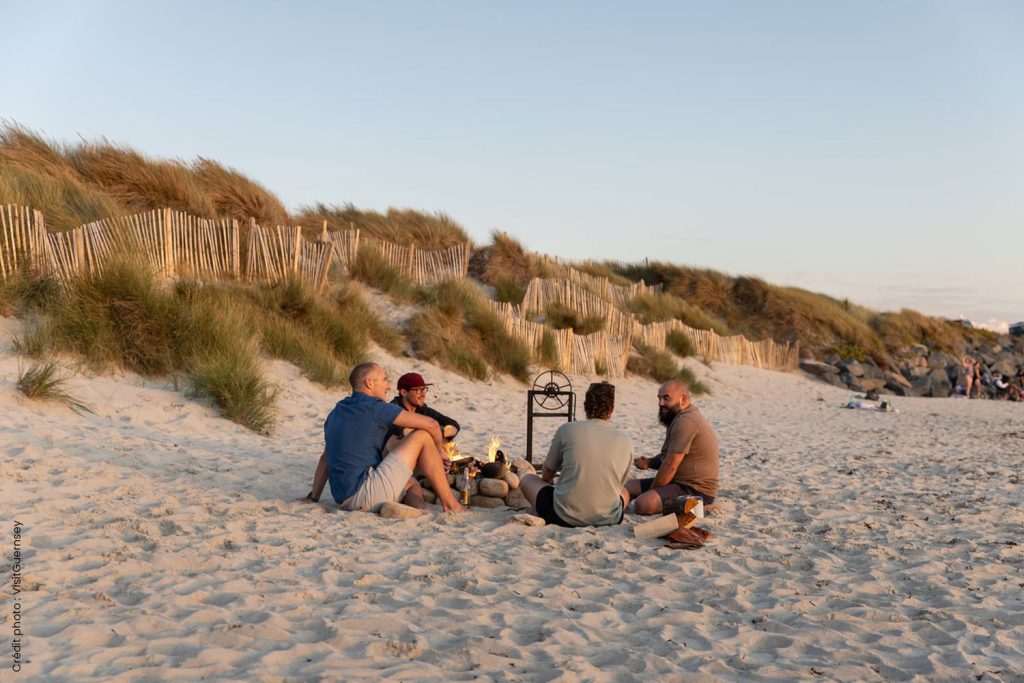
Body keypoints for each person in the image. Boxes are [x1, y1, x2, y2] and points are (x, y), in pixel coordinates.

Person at [304, 362, 463, 513]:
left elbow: (326, 458)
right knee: (422, 435)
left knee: (411, 483)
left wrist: (314, 496)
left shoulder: (336, 411)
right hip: (365, 494)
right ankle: (451, 505)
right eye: (385, 380)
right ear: (369, 383)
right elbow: (432, 425)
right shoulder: (376, 408)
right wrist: (440, 452)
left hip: (343, 499)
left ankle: (420, 511)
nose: (388, 386)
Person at [519, 382, 633, 527]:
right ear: (612, 409)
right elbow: (619, 484)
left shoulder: (567, 429)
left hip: (564, 516)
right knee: (625, 492)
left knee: (527, 478)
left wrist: (550, 483)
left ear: (585, 406)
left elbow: (547, 473)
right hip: (609, 518)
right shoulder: (625, 439)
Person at [626, 379, 719, 515]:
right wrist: (650, 462)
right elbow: (667, 456)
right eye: (659, 398)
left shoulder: (686, 421)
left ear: (683, 399)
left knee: (643, 504)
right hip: (677, 482)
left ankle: (698, 507)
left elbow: (670, 466)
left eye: (666, 398)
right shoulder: (678, 417)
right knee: (629, 487)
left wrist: (651, 492)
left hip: (695, 490)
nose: (660, 403)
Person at [385, 372, 460, 443]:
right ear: (404, 392)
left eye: (423, 389)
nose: (423, 394)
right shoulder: (391, 410)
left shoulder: (422, 410)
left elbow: (454, 425)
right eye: (418, 390)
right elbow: (401, 432)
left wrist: (441, 433)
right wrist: (431, 433)